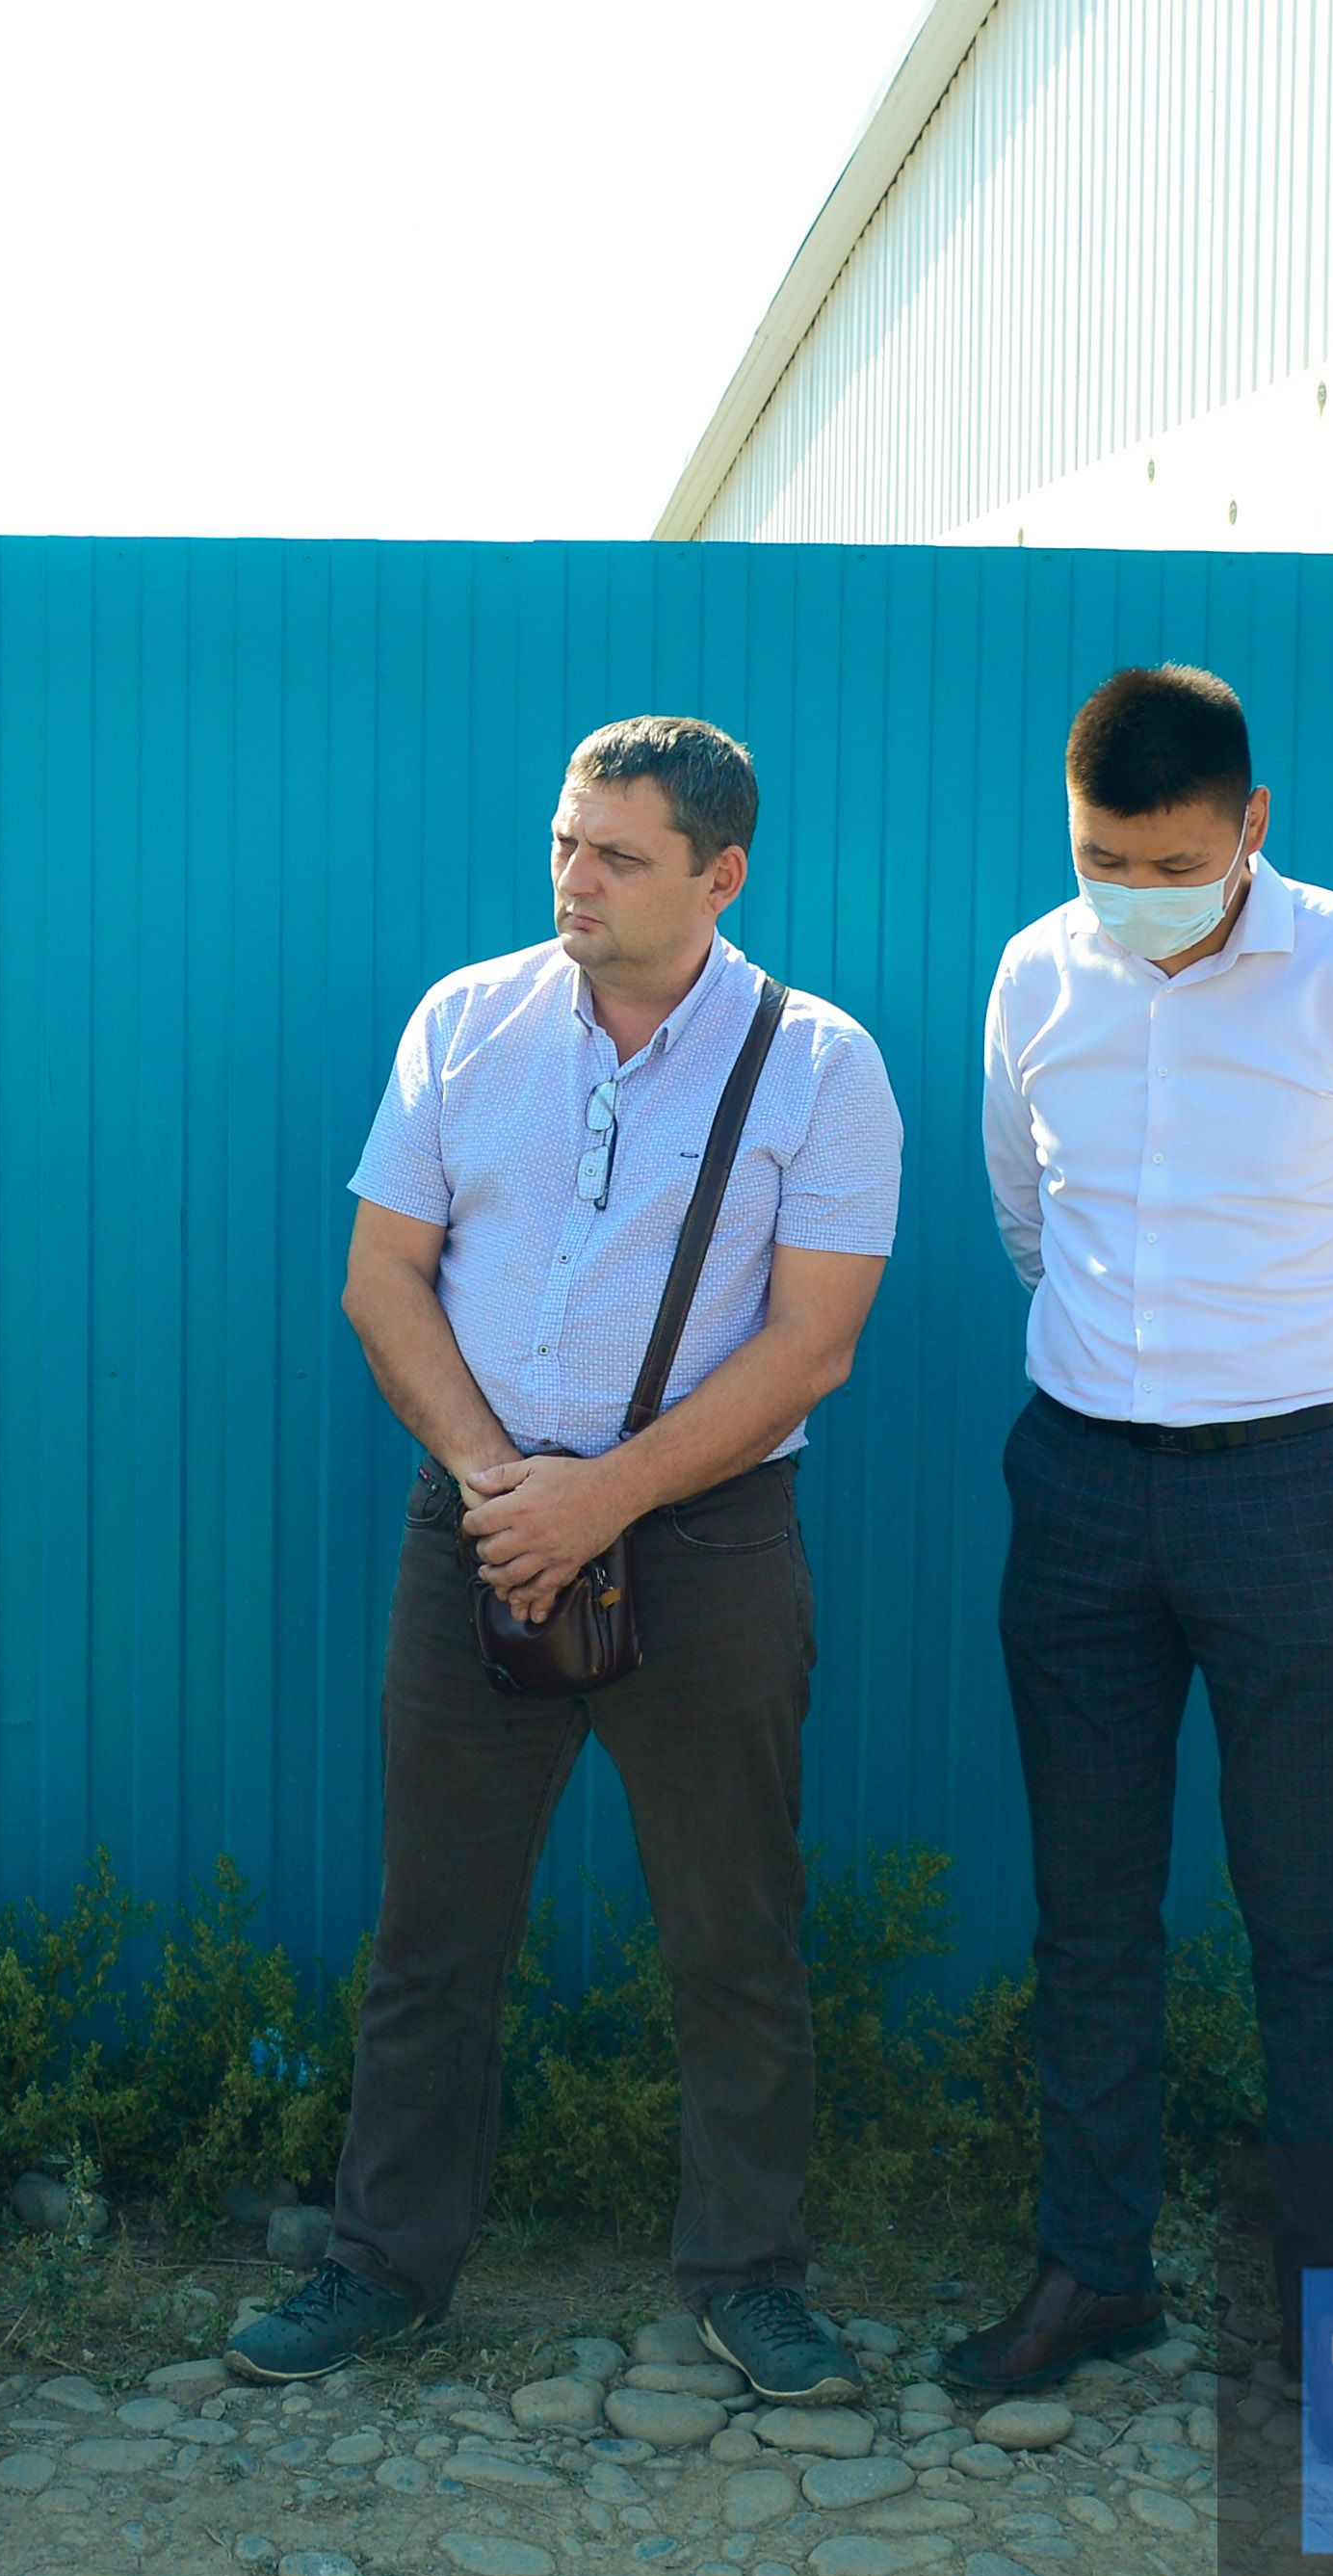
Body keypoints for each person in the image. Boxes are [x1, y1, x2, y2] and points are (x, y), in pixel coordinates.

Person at [226, 715, 903, 2404]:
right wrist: (493, 1485)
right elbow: (384, 1277)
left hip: (710, 1542)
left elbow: (813, 1344)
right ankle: (386, 2264)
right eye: (563, 843)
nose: (573, 880)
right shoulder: (469, 1021)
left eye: (618, 855)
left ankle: (751, 2280)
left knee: (734, 1933)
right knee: (434, 1932)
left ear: (721, 873)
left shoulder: (821, 1063)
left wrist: (602, 1501)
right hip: (479, 1534)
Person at [947, 663, 1333, 2401]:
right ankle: (1091, 2273)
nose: (1131, 891)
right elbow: (1028, 1214)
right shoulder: (1040, 973)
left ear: (1252, 826)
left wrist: (1330, 1387)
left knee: (1306, 1916)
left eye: (1168, 858)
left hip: (1297, 1494)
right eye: (1100, 856)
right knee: (1090, 1909)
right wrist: (1136, 1377)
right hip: (1082, 1488)